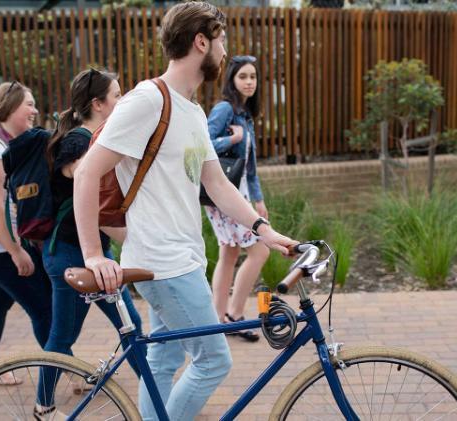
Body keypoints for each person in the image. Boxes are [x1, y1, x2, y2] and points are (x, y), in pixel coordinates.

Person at [73, 2, 297, 419]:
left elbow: (216, 183)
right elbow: (86, 172)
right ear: (200, 42)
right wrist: (93, 254)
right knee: (214, 360)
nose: (225, 51)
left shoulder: (192, 111)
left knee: (163, 361)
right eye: (221, 41)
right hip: (162, 262)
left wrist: (263, 229)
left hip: (184, 258)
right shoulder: (147, 100)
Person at [33, 68, 146, 420]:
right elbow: (91, 198)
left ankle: (160, 400)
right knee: (63, 336)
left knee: (128, 328)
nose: (122, 99)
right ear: (98, 104)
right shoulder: (79, 143)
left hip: (95, 256)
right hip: (69, 255)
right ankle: (42, 407)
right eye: (116, 95)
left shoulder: (97, 139)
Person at [0, 81, 52, 384]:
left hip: (4, 247)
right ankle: (64, 371)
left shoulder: (6, 145)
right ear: (9, 107)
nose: (35, 110)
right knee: (45, 310)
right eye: (28, 104)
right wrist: (17, 252)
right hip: (1, 250)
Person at [205, 55, 268, 342]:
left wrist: (258, 199)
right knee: (260, 251)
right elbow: (201, 145)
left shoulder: (244, 115)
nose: (249, 82)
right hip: (223, 192)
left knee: (229, 254)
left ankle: (218, 320)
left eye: (253, 77)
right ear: (231, 80)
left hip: (240, 190)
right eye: (243, 76)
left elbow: (250, 167)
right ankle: (235, 315)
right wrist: (231, 140)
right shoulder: (225, 109)